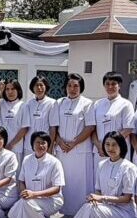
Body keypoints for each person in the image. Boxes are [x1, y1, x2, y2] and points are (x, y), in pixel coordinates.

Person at [51, 73, 95, 216]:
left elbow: (90, 127)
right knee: (65, 181)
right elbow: (53, 126)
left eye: (76, 86)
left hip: (80, 150)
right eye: (69, 85)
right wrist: (59, 142)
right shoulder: (59, 103)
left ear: (81, 87)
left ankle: (81, 212)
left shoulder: (87, 103)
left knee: (80, 183)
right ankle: (65, 211)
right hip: (62, 150)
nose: (72, 88)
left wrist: (74, 142)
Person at [74, 131, 137, 218]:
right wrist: (94, 200)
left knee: (91, 209)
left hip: (123, 211)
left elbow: (127, 198)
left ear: (121, 146)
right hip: (104, 207)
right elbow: (98, 191)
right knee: (89, 206)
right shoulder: (101, 165)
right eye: (107, 144)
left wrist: (102, 198)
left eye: (114, 144)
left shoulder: (129, 167)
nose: (110, 148)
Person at [8, 131, 65, 218]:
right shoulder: (27, 160)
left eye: (43, 143)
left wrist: (34, 194)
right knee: (14, 211)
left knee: (22, 207)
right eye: (37, 142)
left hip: (50, 200)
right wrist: (25, 193)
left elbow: (57, 189)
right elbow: (21, 181)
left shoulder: (55, 162)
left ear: (48, 145)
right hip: (30, 198)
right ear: (32, 145)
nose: (40, 145)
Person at [87, 72, 134, 174]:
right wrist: (100, 146)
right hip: (100, 151)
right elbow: (92, 129)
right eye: (107, 84)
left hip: (119, 149)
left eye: (113, 84)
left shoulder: (126, 104)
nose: (110, 87)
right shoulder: (97, 104)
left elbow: (128, 129)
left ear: (119, 85)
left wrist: (110, 145)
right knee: (100, 179)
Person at [0, 79, 29, 163]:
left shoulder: (23, 105)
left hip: (16, 148)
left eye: (13, 89)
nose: (10, 92)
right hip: (0, 146)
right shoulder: (1, 103)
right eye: (7, 89)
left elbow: (24, 128)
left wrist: (11, 144)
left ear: (18, 90)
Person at [23, 75, 57, 157]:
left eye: (41, 85)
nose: (39, 88)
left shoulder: (52, 103)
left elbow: (53, 128)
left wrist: (50, 147)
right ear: (32, 88)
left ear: (46, 87)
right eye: (36, 85)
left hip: (44, 145)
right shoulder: (28, 104)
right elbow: (25, 126)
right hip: (29, 145)